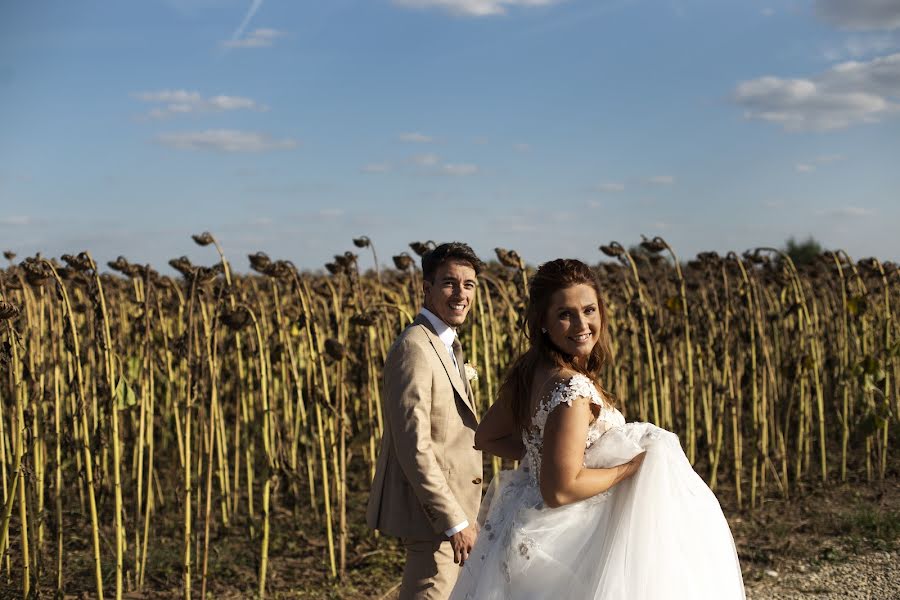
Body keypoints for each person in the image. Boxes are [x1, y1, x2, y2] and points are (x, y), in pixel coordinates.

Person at [450, 258, 745, 599]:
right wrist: (631, 468)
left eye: (589, 310)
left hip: (525, 521)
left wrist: (545, 454)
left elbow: (487, 436)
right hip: (567, 538)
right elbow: (560, 490)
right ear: (543, 322)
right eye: (565, 314)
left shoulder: (531, 370)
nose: (581, 324)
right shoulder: (571, 390)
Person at [367, 242, 486, 600]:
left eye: (469, 285)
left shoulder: (446, 343)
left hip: (455, 512)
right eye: (449, 283)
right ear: (427, 288)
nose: (460, 294)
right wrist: (454, 521)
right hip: (436, 521)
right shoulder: (414, 348)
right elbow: (413, 446)